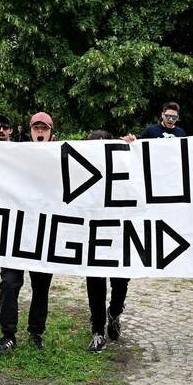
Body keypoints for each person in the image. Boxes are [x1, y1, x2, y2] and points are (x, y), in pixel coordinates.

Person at [0, 111, 56, 354]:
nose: (40, 132)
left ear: (51, 132)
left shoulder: (60, 155)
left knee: (41, 286)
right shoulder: (15, 155)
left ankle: (36, 332)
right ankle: (8, 334)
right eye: (36, 128)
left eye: (44, 128)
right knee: (9, 283)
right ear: (30, 131)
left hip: (45, 232)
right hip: (16, 232)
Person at [83, 130, 129, 352]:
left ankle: (115, 312)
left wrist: (134, 147)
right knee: (95, 282)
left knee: (121, 281)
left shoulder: (122, 168)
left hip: (119, 233)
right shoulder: (80, 171)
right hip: (93, 235)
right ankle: (98, 331)